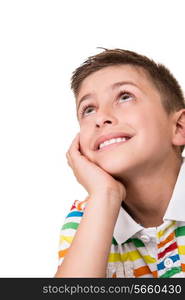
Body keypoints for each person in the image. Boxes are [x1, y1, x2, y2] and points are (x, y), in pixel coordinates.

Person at [55, 48, 185, 278]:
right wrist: (105, 194)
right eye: (88, 109)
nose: (100, 117)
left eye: (125, 96)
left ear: (178, 128)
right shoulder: (84, 219)